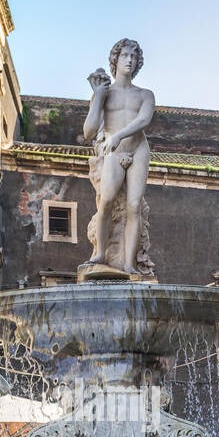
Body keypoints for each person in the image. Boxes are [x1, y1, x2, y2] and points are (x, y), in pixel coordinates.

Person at [81, 38, 155, 276]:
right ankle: (100, 254)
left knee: (134, 206)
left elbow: (143, 121)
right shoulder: (104, 93)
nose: (130, 61)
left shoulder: (145, 94)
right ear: (115, 59)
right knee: (106, 201)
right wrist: (98, 97)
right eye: (125, 56)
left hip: (137, 149)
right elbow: (89, 131)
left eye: (134, 57)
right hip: (112, 153)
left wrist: (117, 136)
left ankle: (129, 264)